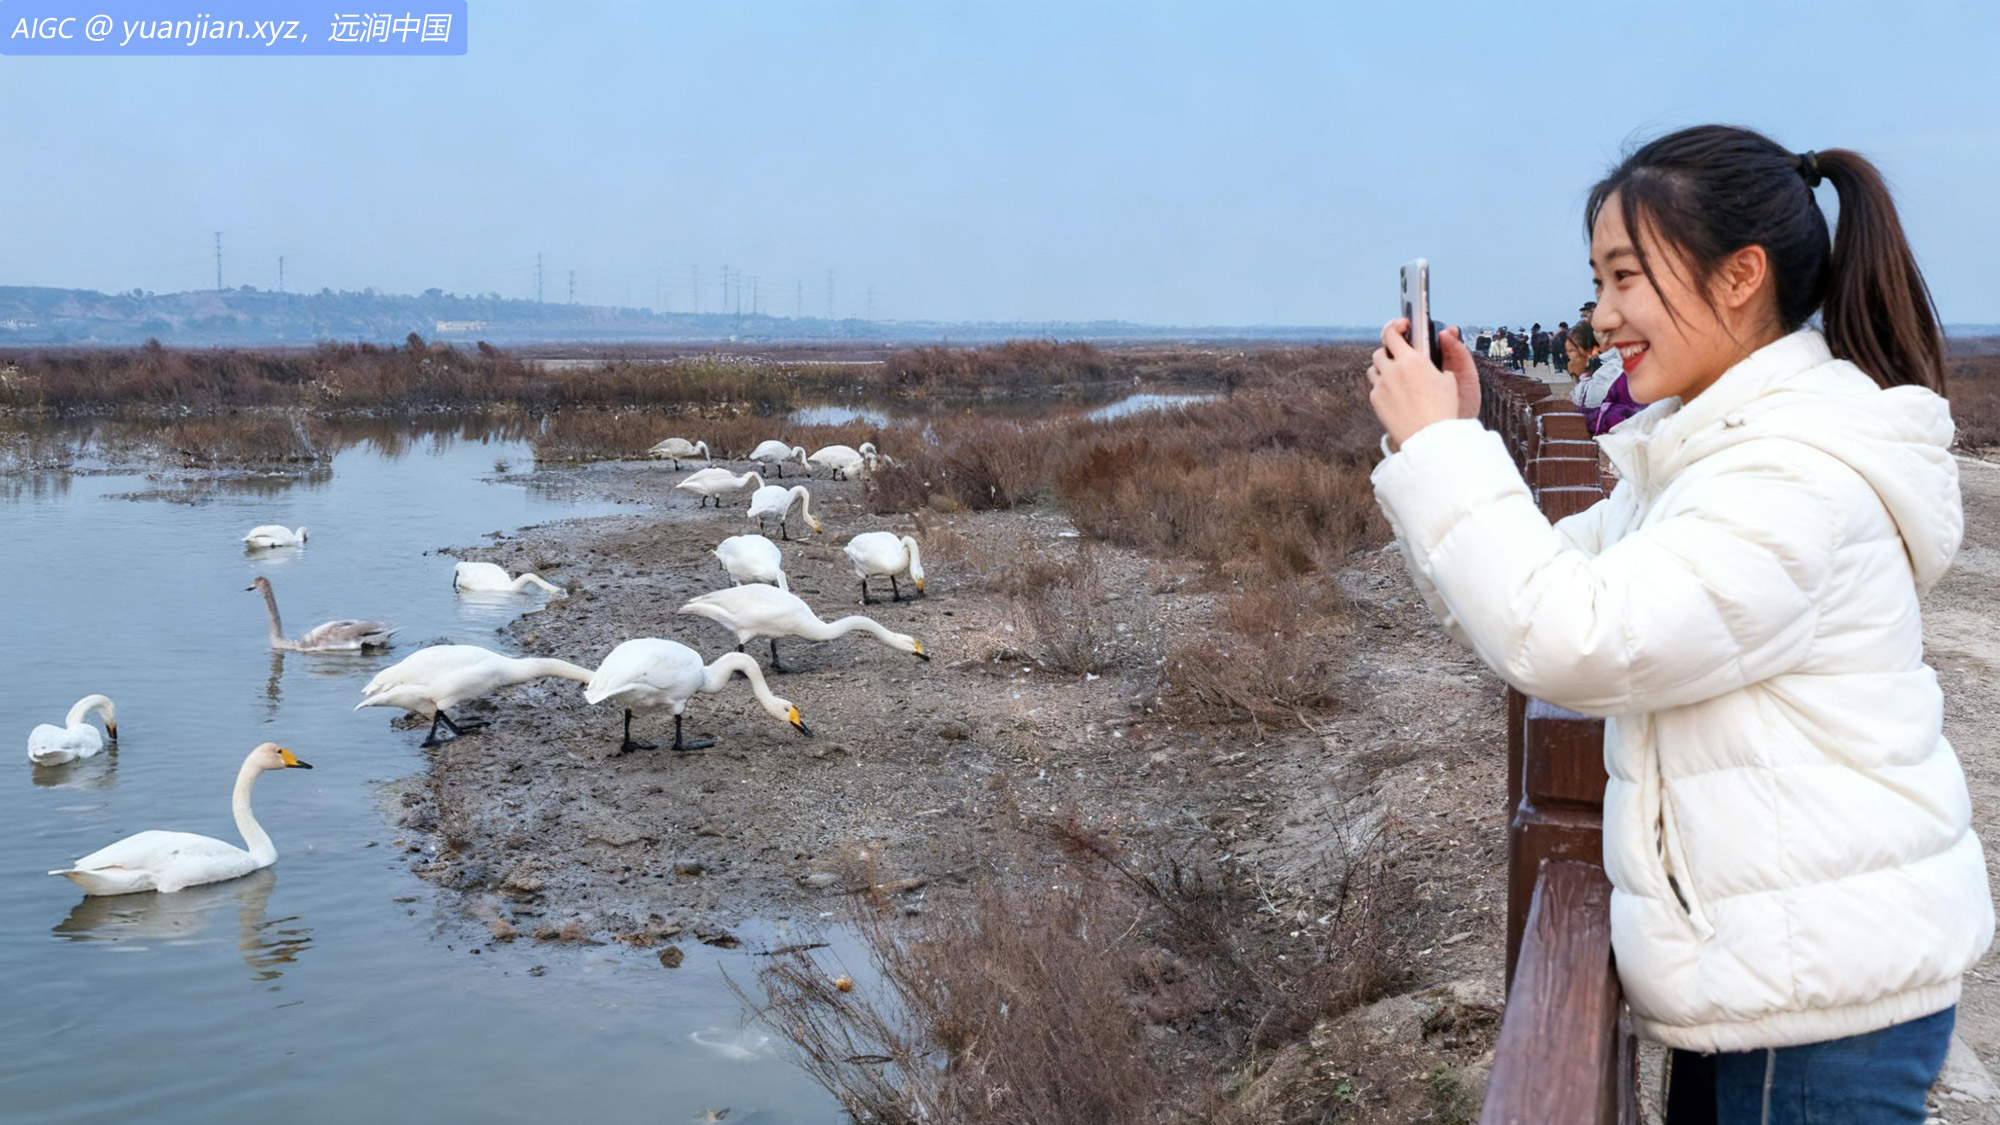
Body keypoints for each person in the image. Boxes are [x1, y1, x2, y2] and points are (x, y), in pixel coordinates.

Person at [1364, 125, 1990, 1124]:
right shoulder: (1711, 459)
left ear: (1739, 276)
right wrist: (1454, 443)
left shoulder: (1785, 474)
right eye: (1596, 281)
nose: (1601, 315)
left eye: (1624, 278)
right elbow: (1524, 594)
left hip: (1813, 1010)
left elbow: (1570, 639)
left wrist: (1442, 447)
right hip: (1776, 983)